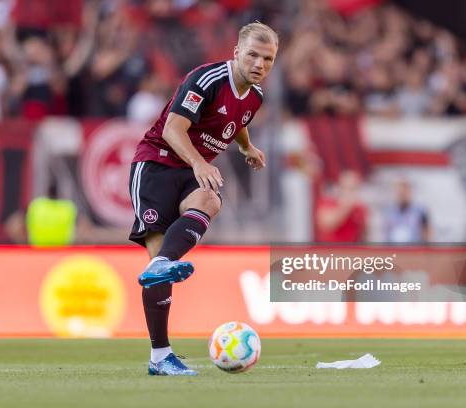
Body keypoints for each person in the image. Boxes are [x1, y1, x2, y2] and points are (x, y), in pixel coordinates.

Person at [128, 22, 278, 376]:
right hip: (156, 166)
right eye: (253, 55)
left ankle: (163, 265)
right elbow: (172, 129)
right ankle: (160, 356)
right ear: (236, 53)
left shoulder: (255, 96)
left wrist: (246, 146)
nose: (259, 63)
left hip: (188, 173)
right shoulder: (206, 79)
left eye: (268, 58)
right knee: (159, 270)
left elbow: (236, 118)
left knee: (209, 201)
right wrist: (198, 162)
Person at [315, 170, 367, 243]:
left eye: (353, 189)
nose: (348, 192)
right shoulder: (328, 201)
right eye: (346, 188)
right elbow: (326, 224)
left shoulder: (359, 208)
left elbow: (363, 233)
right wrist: (345, 207)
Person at [384, 178, 431, 243]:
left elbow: (427, 232)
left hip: (413, 248)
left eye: (404, 193)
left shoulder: (420, 211)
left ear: (409, 192)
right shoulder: (389, 211)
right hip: (394, 248)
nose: (402, 195)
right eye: (399, 193)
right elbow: (387, 231)